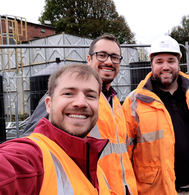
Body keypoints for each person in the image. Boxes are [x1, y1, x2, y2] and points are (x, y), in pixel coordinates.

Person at [22, 34, 137, 195]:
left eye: (115, 57)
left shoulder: (115, 101)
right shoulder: (64, 99)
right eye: (102, 55)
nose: (109, 62)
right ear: (89, 59)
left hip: (121, 189)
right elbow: (32, 143)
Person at [122, 35, 189, 195]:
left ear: (179, 63)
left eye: (171, 61)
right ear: (151, 65)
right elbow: (124, 151)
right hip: (157, 191)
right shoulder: (135, 102)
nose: (165, 66)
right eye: (159, 62)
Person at [0, 63, 115, 194]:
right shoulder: (32, 157)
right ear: (49, 105)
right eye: (68, 93)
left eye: (90, 96)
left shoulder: (93, 165)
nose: (81, 103)